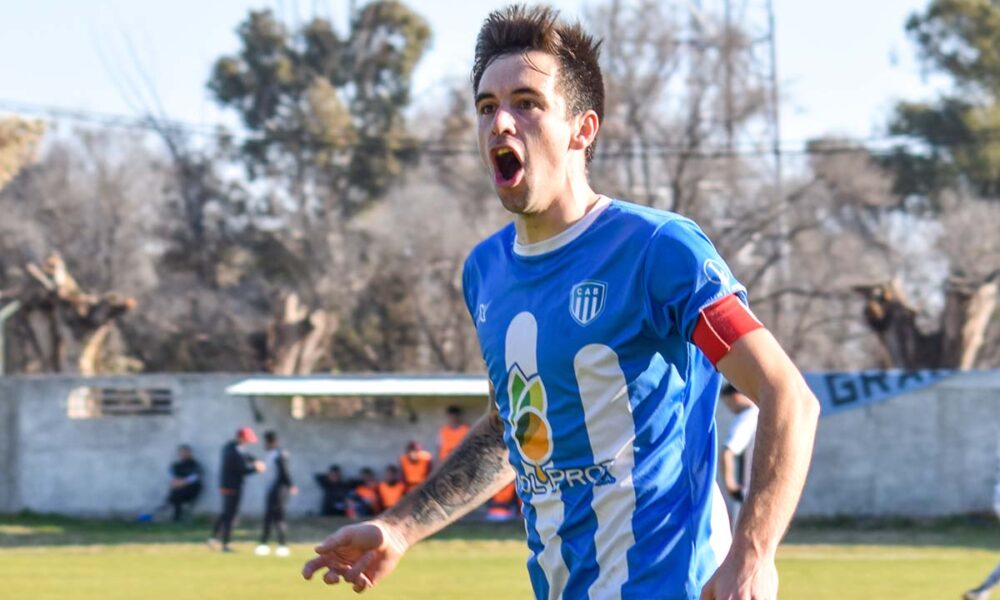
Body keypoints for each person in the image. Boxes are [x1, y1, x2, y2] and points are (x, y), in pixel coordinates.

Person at [303, 6, 820, 598]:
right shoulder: (485, 274)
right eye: (487, 106)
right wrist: (398, 528)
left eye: (527, 103)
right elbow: (513, 430)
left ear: (582, 129)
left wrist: (753, 557)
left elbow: (788, 396)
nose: (501, 122)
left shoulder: (658, 250)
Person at [209, 427, 265, 552]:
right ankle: (226, 544)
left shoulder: (233, 447)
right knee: (230, 515)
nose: (248, 442)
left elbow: (246, 456)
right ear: (240, 438)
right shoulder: (231, 452)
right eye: (247, 439)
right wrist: (257, 469)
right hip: (231, 487)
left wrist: (255, 460)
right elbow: (241, 470)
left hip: (231, 485)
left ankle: (213, 538)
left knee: (225, 513)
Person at [720, 383, 759, 530]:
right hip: (760, 485)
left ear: (735, 397)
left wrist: (731, 485)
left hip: (746, 489)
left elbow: (727, 452)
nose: (730, 409)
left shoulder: (746, 417)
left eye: (728, 403)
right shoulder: (761, 413)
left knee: (740, 534)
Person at [256, 430, 298, 557]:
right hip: (272, 489)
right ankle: (264, 543)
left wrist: (290, 485)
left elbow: (284, 472)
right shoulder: (270, 454)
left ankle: (282, 544)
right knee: (269, 516)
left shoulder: (279, 455)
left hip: (279, 490)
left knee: (278, 516)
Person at [162, 444, 203, 522]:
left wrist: (182, 482)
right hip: (177, 489)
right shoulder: (175, 465)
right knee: (176, 493)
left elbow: (195, 477)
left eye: (185, 452)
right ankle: (176, 516)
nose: (183, 454)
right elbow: (171, 477)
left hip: (191, 490)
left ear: (189, 453)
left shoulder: (195, 465)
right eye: (181, 452)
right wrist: (175, 483)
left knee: (175, 494)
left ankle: (176, 516)